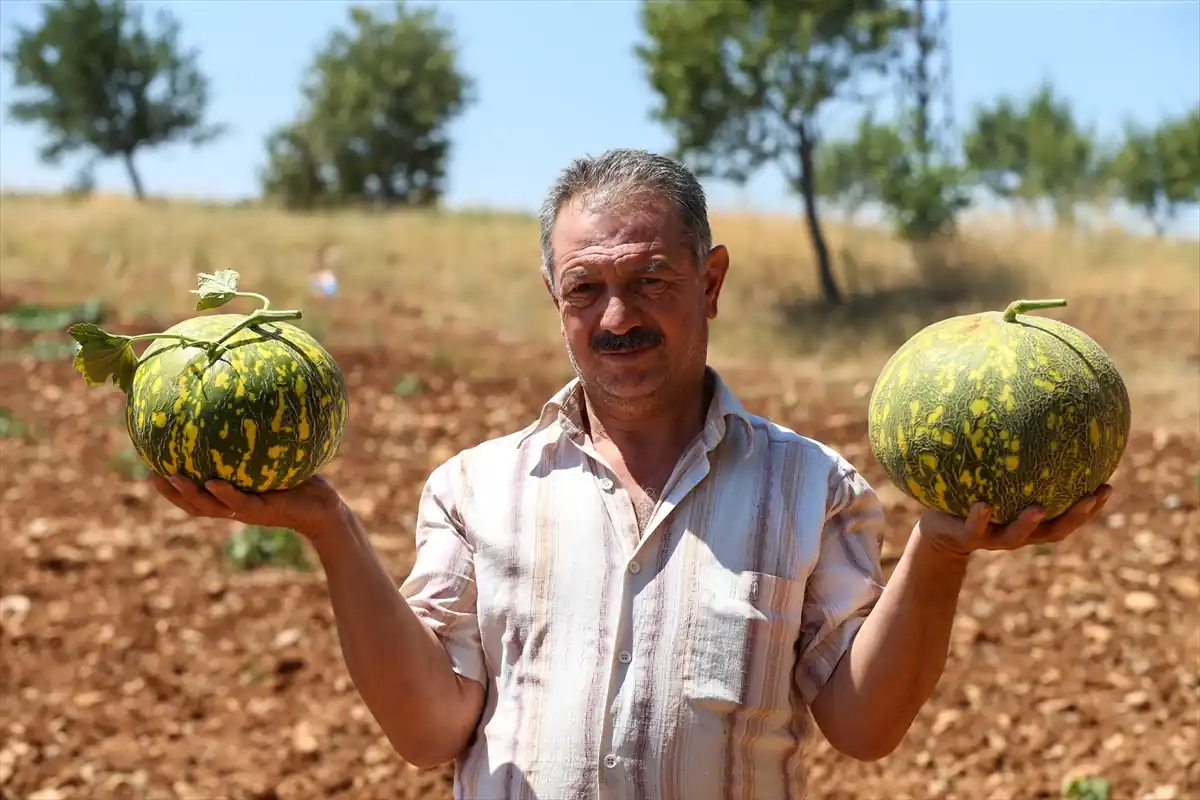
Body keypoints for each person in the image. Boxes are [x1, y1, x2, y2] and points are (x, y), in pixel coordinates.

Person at [151, 148, 1111, 799]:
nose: (618, 317)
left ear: (712, 281)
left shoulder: (808, 486)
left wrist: (942, 549)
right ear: (554, 298)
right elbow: (430, 729)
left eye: (650, 278)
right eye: (587, 288)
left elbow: (862, 726)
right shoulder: (475, 490)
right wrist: (328, 526)